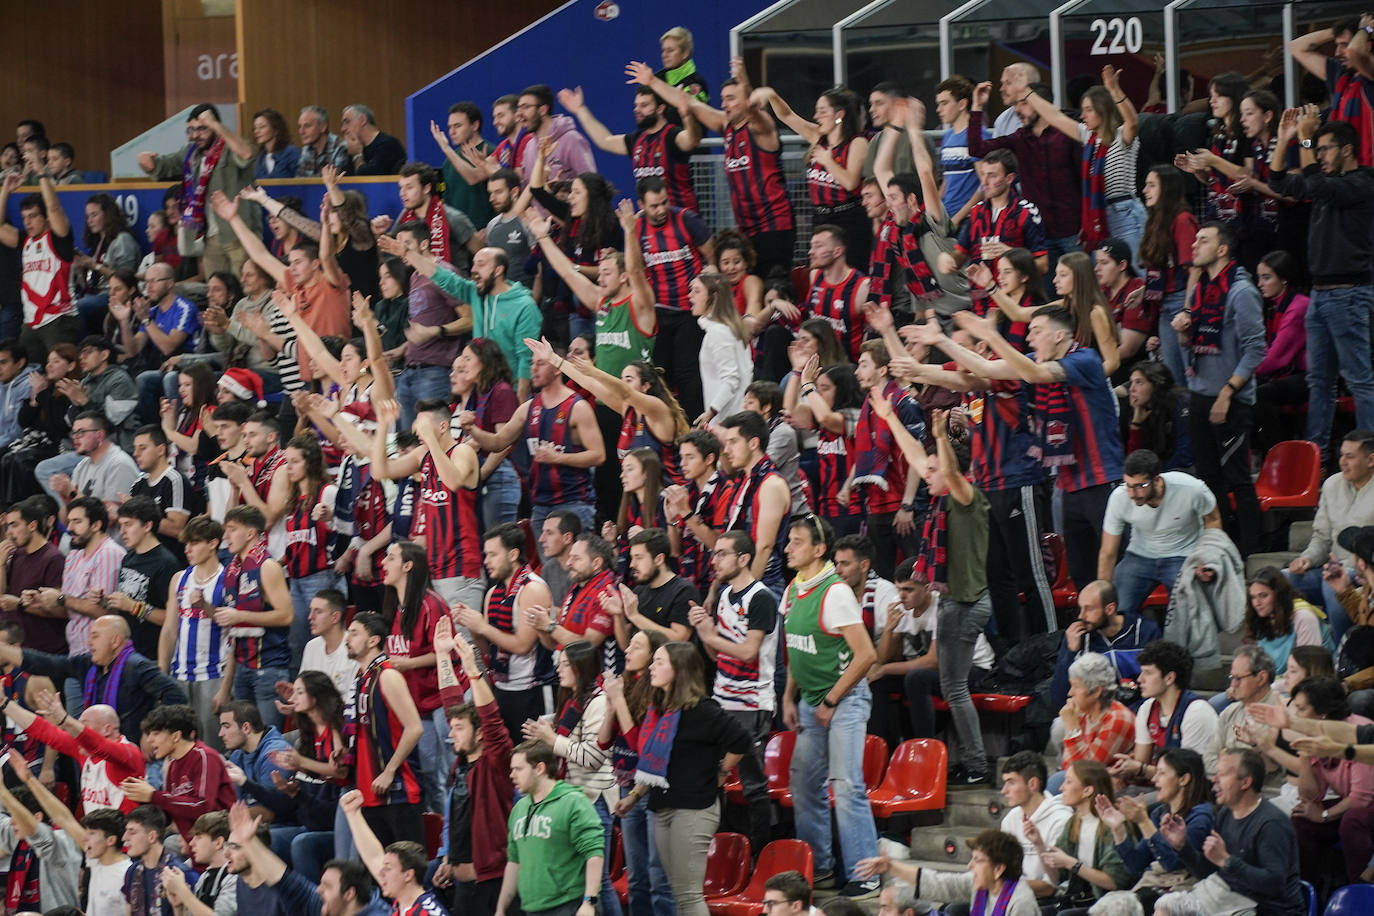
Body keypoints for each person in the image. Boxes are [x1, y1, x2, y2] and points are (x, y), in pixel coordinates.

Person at [946, 305, 1124, 588]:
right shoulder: (1035, 361)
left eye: (1036, 331)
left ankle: (1128, 629)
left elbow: (1032, 374)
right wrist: (939, 341)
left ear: (1058, 336)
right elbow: (984, 368)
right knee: (1080, 574)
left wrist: (991, 336)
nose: (1030, 338)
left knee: (1115, 571)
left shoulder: (1086, 359)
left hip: (1102, 480)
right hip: (1068, 484)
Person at [871, 402, 992, 784]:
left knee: (953, 688)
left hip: (967, 603)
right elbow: (917, 457)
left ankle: (976, 767)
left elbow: (950, 471)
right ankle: (967, 763)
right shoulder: (942, 500)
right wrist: (890, 418)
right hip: (960, 602)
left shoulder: (966, 498)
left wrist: (941, 437)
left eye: (934, 470)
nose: (926, 474)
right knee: (951, 687)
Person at [779, 514, 881, 898]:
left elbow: (866, 655)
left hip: (845, 699)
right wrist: (789, 696)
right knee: (804, 785)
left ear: (819, 550)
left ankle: (866, 873)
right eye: (789, 541)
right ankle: (819, 869)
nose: (788, 548)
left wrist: (832, 700)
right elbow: (797, 651)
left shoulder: (835, 593)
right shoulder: (793, 590)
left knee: (847, 783)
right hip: (810, 700)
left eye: (797, 542)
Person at [613, 642, 751, 916]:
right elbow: (656, 766)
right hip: (662, 806)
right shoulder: (659, 710)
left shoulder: (703, 710)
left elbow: (742, 739)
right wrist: (634, 796)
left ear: (679, 670)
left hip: (694, 809)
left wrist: (722, 772)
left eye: (659, 662)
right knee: (676, 893)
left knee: (688, 896)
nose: (652, 666)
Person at [1269, 112, 1374, 457]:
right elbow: (1279, 182)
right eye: (1319, 150)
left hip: (1349, 293)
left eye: (1327, 150)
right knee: (1319, 383)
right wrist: (1287, 140)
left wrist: (1307, 140)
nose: (1321, 156)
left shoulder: (1363, 182)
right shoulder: (1326, 182)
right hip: (1319, 294)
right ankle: (1319, 457)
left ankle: (1369, 455)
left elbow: (1319, 185)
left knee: (1359, 380)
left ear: (1347, 150)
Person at [1168, 223, 1266, 556]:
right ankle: (1222, 546)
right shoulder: (1200, 291)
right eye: (1194, 239)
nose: (1194, 245)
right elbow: (1197, 345)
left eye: (1203, 240)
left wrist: (1227, 393)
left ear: (1222, 249)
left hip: (1230, 398)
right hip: (1200, 393)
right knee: (1208, 478)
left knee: (1237, 477)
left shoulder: (1241, 292)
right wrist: (1184, 336)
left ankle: (1251, 551)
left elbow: (1256, 349)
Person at [688, 529, 778, 853]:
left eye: (723, 554)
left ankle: (761, 855)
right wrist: (704, 631)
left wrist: (710, 637)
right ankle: (724, 853)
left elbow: (748, 652)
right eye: (714, 554)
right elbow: (720, 655)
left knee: (753, 784)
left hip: (752, 701)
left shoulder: (762, 598)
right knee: (717, 778)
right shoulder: (725, 595)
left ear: (744, 559)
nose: (715, 560)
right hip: (723, 697)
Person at [519, 641, 621, 916]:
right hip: (573, 797)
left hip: (594, 799)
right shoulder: (572, 699)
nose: (559, 669)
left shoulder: (598, 702)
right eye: (559, 663)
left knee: (598, 879)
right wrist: (544, 732)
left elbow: (592, 757)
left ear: (581, 667)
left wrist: (550, 739)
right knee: (582, 879)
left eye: (565, 664)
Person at [668, 59, 793, 276]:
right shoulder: (727, 127)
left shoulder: (762, 127)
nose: (724, 104)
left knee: (776, 290)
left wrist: (744, 80)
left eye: (731, 99)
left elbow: (753, 107)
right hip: (746, 229)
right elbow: (690, 103)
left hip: (774, 227)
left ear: (745, 99)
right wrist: (651, 80)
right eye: (723, 99)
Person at [463, 349, 604, 537]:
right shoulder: (528, 408)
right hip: (540, 506)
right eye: (532, 363)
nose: (534, 369)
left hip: (574, 503)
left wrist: (559, 457)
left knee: (575, 565)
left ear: (557, 369)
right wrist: (472, 429)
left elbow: (598, 455)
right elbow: (497, 442)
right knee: (548, 567)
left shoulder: (577, 407)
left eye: (541, 363)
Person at [432, 616, 515, 916]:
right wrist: (443, 655)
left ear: (479, 733)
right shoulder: (461, 764)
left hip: (493, 885)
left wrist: (473, 673)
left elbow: (491, 720)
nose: (450, 733)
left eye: (459, 728)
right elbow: (451, 702)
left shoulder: (497, 763)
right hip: (462, 884)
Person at [1013, 65, 1142, 257]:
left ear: (1103, 109)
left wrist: (1114, 91)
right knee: (1106, 279)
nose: (1082, 116)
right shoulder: (1088, 137)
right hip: (1098, 214)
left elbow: (1133, 121)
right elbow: (1055, 116)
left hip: (1123, 213)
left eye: (1089, 110)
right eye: (1082, 110)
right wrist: (1026, 92)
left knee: (1132, 272)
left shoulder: (1122, 135)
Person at [1157, 749, 1304, 916]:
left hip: (1267, 910)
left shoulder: (1271, 824)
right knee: (1165, 909)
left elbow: (1274, 884)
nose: (1215, 779)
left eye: (1223, 774)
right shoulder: (1225, 814)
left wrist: (1227, 861)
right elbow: (1208, 872)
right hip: (1230, 900)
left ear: (1245, 782)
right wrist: (1183, 847)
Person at [968, 79, 1083, 282]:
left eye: (1023, 103)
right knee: (1049, 297)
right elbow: (976, 149)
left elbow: (1084, 179)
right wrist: (977, 107)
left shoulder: (1067, 135)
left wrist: (1087, 222)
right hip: (1039, 235)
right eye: (1016, 105)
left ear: (1041, 104)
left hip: (1074, 229)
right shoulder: (1019, 138)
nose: (1017, 110)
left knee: (1082, 291)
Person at [5, 614, 187, 740]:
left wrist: (153, 734)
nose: (89, 642)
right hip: (94, 749)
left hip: (130, 754)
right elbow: (49, 664)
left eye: (95, 636)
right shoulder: (88, 664)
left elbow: (175, 695)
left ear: (115, 641)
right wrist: (5, 651)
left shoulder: (137, 666)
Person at [453, 523, 553, 737]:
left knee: (534, 761)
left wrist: (483, 626)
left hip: (531, 690)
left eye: (492, 555)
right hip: (502, 688)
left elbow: (523, 646)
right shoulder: (492, 593)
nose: (486, 561)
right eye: (485, 555)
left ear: (513, 554)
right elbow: (489, 650)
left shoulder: (532, 588)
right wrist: (475, 630)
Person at [753, 85, 870, 267]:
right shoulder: (818, 136)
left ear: (839, 115)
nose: (816, 117)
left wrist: (827, 160)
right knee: (817, 271)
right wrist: (771, 95)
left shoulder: (857, 143)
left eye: (822, 112)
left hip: (848, 219)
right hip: (820, 218)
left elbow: (850, 182)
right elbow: (787, 116)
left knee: (850, 274)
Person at [138, 104, 260, 276]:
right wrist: (147, 163)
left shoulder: (229, 148)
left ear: (215, 126)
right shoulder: (191, 153)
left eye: (202, 129)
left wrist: (217, 125)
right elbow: (164, 166)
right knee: (216, 292)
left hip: (238, 234)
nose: (195, 135)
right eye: (191, 130)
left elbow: (247, 154)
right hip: (209, 237)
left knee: (244, 291)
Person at [1099, 452, 1221, 619]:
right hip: (1139, 555)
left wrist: (1207, 558)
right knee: (1117, 609)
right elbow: (1108, 552)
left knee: (1190, 614)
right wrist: (1102, 597)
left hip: (1182, 554)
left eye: (1139, 486)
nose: (1132, 493)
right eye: (1128, 485)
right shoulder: (1119, 498)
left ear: (1157, 480)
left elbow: (1213, 520)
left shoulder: (1191, 489)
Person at [633, 176, 713, 421]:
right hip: (658, 313)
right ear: (642, 206)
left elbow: (712, 257)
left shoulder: (687, 220)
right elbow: (634, 268)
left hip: (690, 311)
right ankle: (666, 426)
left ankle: (696, 426)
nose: (660, 210)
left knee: (687, 371)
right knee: (658, 372)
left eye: (664, 203)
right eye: (654, 206)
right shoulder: (635, 229)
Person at [496, 740, 606, 916]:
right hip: (532, 908)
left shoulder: (573, 802)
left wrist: (589, 902)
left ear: (539, 769)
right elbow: (514, 862)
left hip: (569, 905)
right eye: (511, 769)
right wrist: (501, 909)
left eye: (518, 769)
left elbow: (594, 854)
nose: (512, 775)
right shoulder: (519, 809)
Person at [846, 342, 925, 580]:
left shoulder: (904, 403)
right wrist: (846, 485)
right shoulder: (868, 405)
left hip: (905, 508)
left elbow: (916, 455)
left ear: (882, 370)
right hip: (877, 506)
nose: (857, 371)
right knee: (882, 581)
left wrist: (908, 504)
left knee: (918, 578)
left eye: (863, 364)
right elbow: (865, 450)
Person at [1286, 429, 1374, 638]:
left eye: (1350, 456)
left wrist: (1355, 568)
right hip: (1332, 568)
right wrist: (1306, 559)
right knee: (1280, 582)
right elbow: (1322, 538)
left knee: (1331, 586)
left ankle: (1341, 659)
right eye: (1341, 455)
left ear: (1371, 459)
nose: (1342, 461)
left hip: (1364, 573)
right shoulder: (1332, 484)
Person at [1099, 748, 1214, 909]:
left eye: (1161, 773)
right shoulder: (1159, 813)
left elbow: (1173, 864)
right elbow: (1135, 864)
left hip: (1183, 894)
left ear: (1184, 779)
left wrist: (1144, 822)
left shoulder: (1201, 816)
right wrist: (1117, 829)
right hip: (1154, 886)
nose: (1154, 779)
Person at [346, 611, 424, 845]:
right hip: (369, 792)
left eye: (354, 633)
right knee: (380, 874)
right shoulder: (362, 677)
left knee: (409, 870)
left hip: (397, 792)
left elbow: (415, 728)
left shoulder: (388, 675)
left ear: (373, 640)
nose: (347, 638)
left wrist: (389, 771)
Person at [3, 684, 144, 813]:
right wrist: (4, 704)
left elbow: (99, 746)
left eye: (83, 724)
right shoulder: (84, 751)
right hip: (98, 835)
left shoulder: (128, 753)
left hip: (126, 837)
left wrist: (65, 719)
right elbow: (43, 730)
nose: (75, 731)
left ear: (107, 729)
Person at [560, 83, 700, 212]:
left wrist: (687, 116)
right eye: (636, 105)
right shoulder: (637, 139)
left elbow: (691, 140)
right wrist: (580, 110)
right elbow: (604, 141)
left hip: (681, 219)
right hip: (652, 222)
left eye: (644, 105)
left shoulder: (672, 135)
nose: (637, 110)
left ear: (660, 108)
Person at [217, 505, 294, 729]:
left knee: (268, 741)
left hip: (268, 666)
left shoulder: (267, 566)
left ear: (250, 533)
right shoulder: (233, 569)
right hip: (242, 665)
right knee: (243, 742)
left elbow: (286, 615)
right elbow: (233, 627)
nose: (226, 536)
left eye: (232, 529)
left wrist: (238, 615)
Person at [160, 514, 232, 743]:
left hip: (213, 674)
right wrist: (162, 675)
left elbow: (234, 631)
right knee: (179, 745)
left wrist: (226, 687)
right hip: (179, 673)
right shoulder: (180, 578)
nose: (187, 549)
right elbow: (170, 630)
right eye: (186, 544)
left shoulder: (228, 579)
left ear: (213, 544)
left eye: (194, 543)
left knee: (212, 745)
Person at [0, 158, 80, 362]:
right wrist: (5, 190)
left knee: (62, 378)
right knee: (30, 378)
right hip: (31, 323)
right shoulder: (25, 241)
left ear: (45, 218)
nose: (27, 222)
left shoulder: (59, 239)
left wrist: (42, 174)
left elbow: (54, 209)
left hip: (59, 319)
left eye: (33, 216)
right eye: (24, 217)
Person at [1025, 760, 1134, 909]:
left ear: (1087, 790)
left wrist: (1072, 863)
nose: (1061, 787)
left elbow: (1114, 882)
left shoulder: (1111, 825)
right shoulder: (1074, 822)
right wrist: (1038, 844)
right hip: (1079, 900)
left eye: (1068, 782)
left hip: (1110, 905)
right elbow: (1055, 877)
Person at [121, 703, 236, 843]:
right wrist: (142, 797)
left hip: (223, 848)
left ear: (175, 736)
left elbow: (203, 808)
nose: (149, 740)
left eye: (156, 733)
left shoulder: (205, 757)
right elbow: (168, 815)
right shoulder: (173, 765)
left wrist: (153, 795)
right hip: (198, 848)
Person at [855, 829, 1038, 916]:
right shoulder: (979, 885)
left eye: (978, 860)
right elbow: (937, 883)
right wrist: (892, 868)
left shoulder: (1021, 903)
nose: (970, 866)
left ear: (998, 869)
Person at [1111, 640, 1219, 784]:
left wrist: (1141, 769)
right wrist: (1127, 766)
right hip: (1162, 786)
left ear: (1169, 678)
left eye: (1147, 673)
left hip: (1194, 793)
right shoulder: (1147, 708)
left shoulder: (1196, 712)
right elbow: (1141, 762)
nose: (1139, 679)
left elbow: (1188, 777)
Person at [1137, 166, 1201, 387]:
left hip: (1181, 302)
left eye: (1152, 185)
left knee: (1190, 377)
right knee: (1174, 380)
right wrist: (1142, 291)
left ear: (1168, 189)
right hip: (1166, 305)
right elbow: (1163, 269)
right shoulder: (1157, 220)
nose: (1145, 190)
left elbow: (1194, 269)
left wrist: (1187, 310)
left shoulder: (1182, 220)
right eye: (1146, 184)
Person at [719, 410, 792, 592]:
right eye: (726, 443)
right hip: (735, 582)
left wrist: (747, 592)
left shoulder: (771, 484)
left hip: (761, 584)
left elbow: (764, 547)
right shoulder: (742, 480)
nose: (726, 450)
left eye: (733, 442)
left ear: (753, 443)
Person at [1054, 652, 1136, 794]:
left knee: (1058, 783)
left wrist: (1072, 728)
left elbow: (1082, 772)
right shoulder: (1083, 713)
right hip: (1087, 787)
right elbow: (1068, 768)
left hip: (1115, 791)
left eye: (1076, 686)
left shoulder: (1118, 718)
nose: (1070, 693)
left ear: (1097, 691)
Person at [996, 751, 1072, 899]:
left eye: (1011, 783)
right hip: (1013, 894)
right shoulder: (1010, 819)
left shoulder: (1061, 820)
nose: (1004, 791)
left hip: (1045, 901)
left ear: (1033, 784)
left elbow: (1051, 886)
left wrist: (1001, 885)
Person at [1241, 571, 1332, 683]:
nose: (1256, 603)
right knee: (1218, 700)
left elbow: (1307, 673)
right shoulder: (1262, 618)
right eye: (1253, 597)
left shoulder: (1304, 617)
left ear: (1279, 595)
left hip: (1306, 688)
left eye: (1263, 596)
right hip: (1271, 683)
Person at [429, 101, 495, 230]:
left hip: (486, 231)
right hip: (458, 234)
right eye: (450, 127)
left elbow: (500, 196)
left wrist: (490, 227)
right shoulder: (449, 162)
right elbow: (447, 203)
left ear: (475, 125)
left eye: (457, 126)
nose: (452, 132)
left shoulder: (492, 153)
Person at [121, 804, 197, 916]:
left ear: (151, 837)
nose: (124, 838)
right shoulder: (132, 870)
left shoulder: (181, 874)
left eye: (132, 832)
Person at [516, 84, 598, 183]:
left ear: (542, 110)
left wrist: (560, 191)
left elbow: (591, 185)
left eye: (525, 107)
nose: (519, 113)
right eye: (519, 108)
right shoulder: (529, 147)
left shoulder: (572, 139)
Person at [339, 104, 406, 175]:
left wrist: (357, 156)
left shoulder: (388, 144)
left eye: (347, 122)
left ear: (362, 120)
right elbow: (346, 178)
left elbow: (370, 179)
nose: (343, 129)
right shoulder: (353, 148)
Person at [294, 106, 351, 178]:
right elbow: (300, 182)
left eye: (307, 126)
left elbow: (335, 181)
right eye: (300, 126)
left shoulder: (340, 148)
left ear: (323, 127)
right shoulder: (306, 150)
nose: (301, 131)